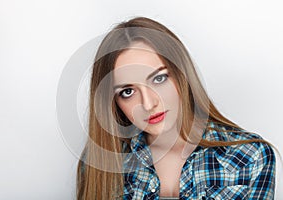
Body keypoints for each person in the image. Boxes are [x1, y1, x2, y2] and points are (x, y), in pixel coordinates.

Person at [76, 17, 276, 200]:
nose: (148, 103)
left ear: (182, 75)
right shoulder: (98, 162)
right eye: (128, 91)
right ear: (113, 102)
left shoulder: (250, 156)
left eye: (159, 78)